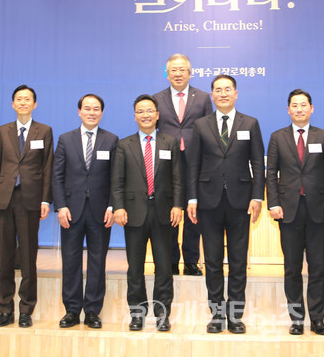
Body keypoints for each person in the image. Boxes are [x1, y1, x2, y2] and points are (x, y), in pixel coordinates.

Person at [187, 74, 265, 334]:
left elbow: (257, 162)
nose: (223, 94)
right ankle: (217, 314)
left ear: (236, 93)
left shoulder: (250, 123)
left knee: (238, 260)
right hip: (208, 201)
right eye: (218, 90)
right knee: (212, 260)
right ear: (212, 95)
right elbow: (193, 164)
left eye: (227, 89)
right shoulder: (201, 125)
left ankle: (235, 315)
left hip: (240, 201)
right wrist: (192, 197)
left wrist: (257, 197)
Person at [266, 89, 324, 336]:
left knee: (318, 268)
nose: (299, 109)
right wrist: (273, 203)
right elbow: (271, 175)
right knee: (292, 268)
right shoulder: (277, 137)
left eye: (303, 105)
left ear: (311, 108)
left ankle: (318, 319)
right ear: (288, 110)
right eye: (294, 105)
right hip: (288, 211)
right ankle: (296, 319)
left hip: (318, 211)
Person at [112, 94, 184, 332]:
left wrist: (177, 205)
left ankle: (163, 314)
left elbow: (177, 178)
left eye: (149, 111)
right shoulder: (124, 145)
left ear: (157, 114)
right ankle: (137, 314)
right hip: (133, 213)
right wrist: (119, 206)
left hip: (164, 212)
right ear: (135, 116)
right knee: (135, 267)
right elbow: (117, 181)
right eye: (141, 111)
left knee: (164, 266)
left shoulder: (170, 142)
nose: (146, 115)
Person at [0, 84, 54, 328]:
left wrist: (46, 199)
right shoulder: (2, 131)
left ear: (34, 104)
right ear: (12, 104)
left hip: (30, 199)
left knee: (28, 256)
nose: (23, 103)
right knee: (4, 257)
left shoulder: (44, 131)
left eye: (27, 99)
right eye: (19, 99)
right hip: (5, 199)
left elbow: (47, 168)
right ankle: (5, 309)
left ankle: (26, 309)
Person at [52, 94, 118, 330]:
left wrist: (112, 205)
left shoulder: (111, 140)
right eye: (87, 108)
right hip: (71, 210)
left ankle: (92, 311)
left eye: (96, 109)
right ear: (79, 111)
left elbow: (115, 177)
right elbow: (56, 176)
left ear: (102, 113)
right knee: (70, 261)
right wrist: (60, 206)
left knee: (97, 262)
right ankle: (71, 310)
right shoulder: (65, 139)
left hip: (101, 212)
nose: (92, 112)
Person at [153, 53, 213, 276]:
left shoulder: (204, 97)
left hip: (195, 162)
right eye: (173, 70)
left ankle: (191, 261)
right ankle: (169, 260)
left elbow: (209, 129)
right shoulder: (156, 98)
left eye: (182, 70)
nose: (178, 73)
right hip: (166, 163)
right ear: (167, 74)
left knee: (193, 213)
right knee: (169, 211)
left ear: (190, 72)